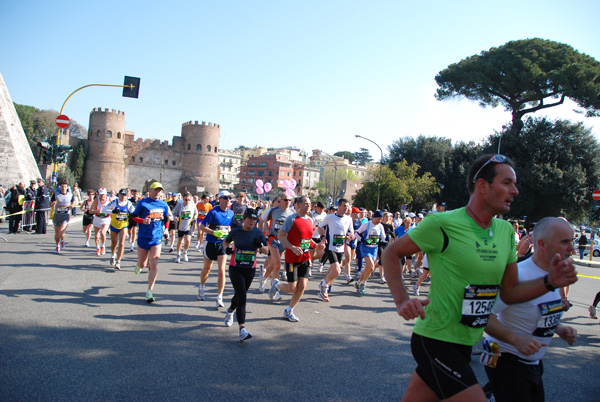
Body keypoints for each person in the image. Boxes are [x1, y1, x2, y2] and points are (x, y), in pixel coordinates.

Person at [382, 153, 578, 402]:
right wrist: (402, 300)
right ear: (482, 186)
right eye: (507, 183)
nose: (515, 191)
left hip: (467, 342)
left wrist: (550, 281)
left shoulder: (505, 231)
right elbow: (391, 252)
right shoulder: (443, 223)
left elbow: (509, 292)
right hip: (435, 340)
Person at [483, 217, 578, 402]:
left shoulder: (554, 275)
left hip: (533, 364)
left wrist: (559, 329)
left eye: (572, 241)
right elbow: (484, 316)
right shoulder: (518, 275)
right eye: (565, 241)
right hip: (506, 361)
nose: (572, 247)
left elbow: (538, 309)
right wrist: (515, 339)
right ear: (542, 244)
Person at [222, 208, 268, 341]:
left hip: (250, 269)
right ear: (244, 219)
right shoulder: (236, 231)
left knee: (239, 295)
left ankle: (230, 311)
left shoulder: (258, 232)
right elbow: (225, 242)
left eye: (255, 219)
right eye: (250, 218)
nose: (253, 221)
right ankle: (242, 329)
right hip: (235, 268)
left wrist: (260, 245)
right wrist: (228, 249)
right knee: (242, 296)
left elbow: (266, 251)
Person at [268, 196, 315, 322]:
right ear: (298, 205)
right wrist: (292, 247)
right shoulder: (291, 219)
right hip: (292, 259)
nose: (308, 206)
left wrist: (316, 245)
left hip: (304, 258)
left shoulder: (310, 220)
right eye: (305, 203)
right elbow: (281, 236)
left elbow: (307, 239)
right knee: (292, 287)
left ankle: (289, 310)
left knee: (302, 286)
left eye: (309, 203)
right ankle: (277, 284)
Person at [131, 182, 173, 303]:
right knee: (143, 264)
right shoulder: (143, 202)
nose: (158, 192)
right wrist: (142, 220)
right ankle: (139, 265)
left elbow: (166, 218)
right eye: (156, 190)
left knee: (154, 261)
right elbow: (133, 216)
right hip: (143, 237)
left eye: (160, 190)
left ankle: (149, 291)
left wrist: (166, 229)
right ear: (150, 190)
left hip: (156, 238)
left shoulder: (164, 204)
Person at [197, 190, 234, 308]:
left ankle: (219, 297)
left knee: (222, 270)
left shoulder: (231, 213)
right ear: (219, 199)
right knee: (207, 268)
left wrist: (229, 236)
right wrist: (214, 232)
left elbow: (229, 227)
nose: (228, 200)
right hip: (211, 243)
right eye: (225, 198)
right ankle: (202, 286)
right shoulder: (213, 212)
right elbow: (202, 226)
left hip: (222, 244)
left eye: (229, 198)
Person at [317, 198, 353, 302]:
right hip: (330, 246)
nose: (346, 208)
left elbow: (351, 233)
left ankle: (324, 288)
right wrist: (323, 237)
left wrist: (351, 236)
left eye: (348, 206)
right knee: (337, 271)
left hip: (340, 247)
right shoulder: (330, 217)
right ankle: (324, 285)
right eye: (344, 206)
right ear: (339, 206)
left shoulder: (348, 219)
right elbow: (320, 227)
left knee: (333, 270)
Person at [354, 210, 387, 295]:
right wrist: (363, 240)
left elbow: (383, 237)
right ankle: (363, 284)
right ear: (375, 217)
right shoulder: (367, 224)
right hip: (365, 247)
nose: (380, 220)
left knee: (368, 268)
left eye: (381, 219)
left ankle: (358, 282)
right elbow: (357, 234)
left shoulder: (380, 226)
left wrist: (386, 240)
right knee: (372, 267)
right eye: (379, 218)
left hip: (374, 248)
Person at [104, 188, 135, 270]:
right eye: (122, 195)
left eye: (125, 195)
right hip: (114, 225)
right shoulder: (115, 202)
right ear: (119, 195)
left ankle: (118, 261)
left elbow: (134, 212)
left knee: (121, 244)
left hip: (123, 225)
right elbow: (104, 209)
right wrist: (113, 211)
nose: (123, 197)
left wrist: (134, 215)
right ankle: (113, 255)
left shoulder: (129, 203)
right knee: (114, 243)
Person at [172, 191, 198, 263]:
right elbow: (174, 214)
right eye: (186, 200)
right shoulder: (179, 206)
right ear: (183, 199)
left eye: (189, 200)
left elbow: (196, 213)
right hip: (181, 225)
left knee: (188, 240)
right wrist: (176, 218)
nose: (187, 201)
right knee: (180, 241)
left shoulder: (193, 206)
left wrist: (194, 218)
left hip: (189, 225)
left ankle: (185, 252)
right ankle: (178, 255)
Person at [50, 179, 74, 253]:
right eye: (62, 186)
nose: (63, 188)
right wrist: (52, 203)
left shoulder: (70, 195)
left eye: (65, 187)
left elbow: (73, 201)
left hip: (65, 216)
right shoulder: (56, 194)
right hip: (57, 215)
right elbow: (50, 203)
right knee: (57, 233)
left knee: (61, 232)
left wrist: (71, 206)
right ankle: (58, 245)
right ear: (60, 187)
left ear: (67, 187)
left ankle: (62, 240)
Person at [90, 188, 111, 255]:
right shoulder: (96, 200)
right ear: (99, 195)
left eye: (104, 195)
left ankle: (103, 246)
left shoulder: (109, 200)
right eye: (101, 195)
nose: (102, 196)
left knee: (102, 232)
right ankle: (97, 247)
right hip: (97, 218)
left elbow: (114, 208)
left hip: (106, 218)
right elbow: (90, 211)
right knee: (96, 235)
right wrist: (97, 211)